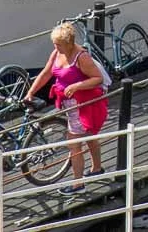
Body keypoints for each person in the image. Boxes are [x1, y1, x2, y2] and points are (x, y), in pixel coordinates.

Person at [24, 22, 107, 195]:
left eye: (59, 44)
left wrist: (77, 85)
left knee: (73, 143)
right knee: (90, 136)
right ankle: (97, 168)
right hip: (69, 103)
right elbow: (47, 73)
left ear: (69, 43)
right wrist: (31, 91)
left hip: (83, 104)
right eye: (54, 44)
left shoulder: (82, 57)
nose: (55, 47)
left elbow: (97, 78)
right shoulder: (57, 53)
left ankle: (78, 184)